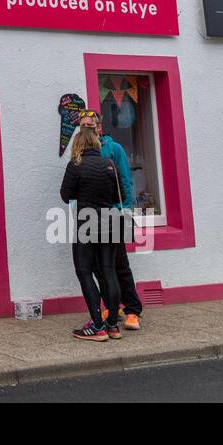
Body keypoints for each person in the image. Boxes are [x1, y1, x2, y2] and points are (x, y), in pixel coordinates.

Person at [60, 126, 122, 342]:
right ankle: (113, 325)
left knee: (84, 271)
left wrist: (81, 190)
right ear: (96, 142)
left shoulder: (76, 165)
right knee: (109, 272)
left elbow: (65, 195)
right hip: (110, 220)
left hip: (87, 221)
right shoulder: (109, 164)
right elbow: (118, 195)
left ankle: (97, 326)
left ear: (78, 144)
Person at [86, 112, 144, 332]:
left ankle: (132, 310)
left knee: (119, 263)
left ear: (100, 128)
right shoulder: (81, 153)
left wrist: (124, 210)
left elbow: (126, 182)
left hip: (115, 215)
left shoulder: (114, 149)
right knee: (98, 266)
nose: (87, 129)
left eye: (91, 125)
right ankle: (113, 306)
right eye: (83, 126)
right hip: (91, 219)